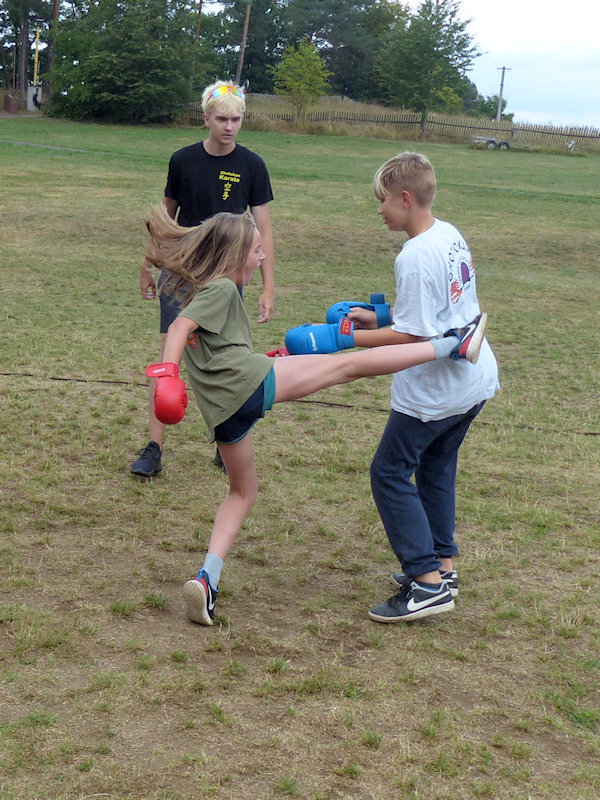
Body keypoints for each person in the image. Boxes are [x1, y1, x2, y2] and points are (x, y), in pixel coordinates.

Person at [142, 204, 488, 625]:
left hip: (224, 413)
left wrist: (272, 359)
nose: (262, 257)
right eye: (256, 250)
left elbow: (217, 349)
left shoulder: (206, 291)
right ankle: (453, 344)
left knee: (242, 492)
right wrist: (167, 374)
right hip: (249, 385)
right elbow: (179, 328)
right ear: (233, 255)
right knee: (348, 366)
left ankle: (206, 579)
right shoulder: (221, 289)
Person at [343, 152, 500, 623]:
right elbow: (439, 308)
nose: (380, 209)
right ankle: (443, 568)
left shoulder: (412, 255)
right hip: (473, 382)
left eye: (383, 200)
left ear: (406, 198)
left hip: (436, 393)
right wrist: (380, 315)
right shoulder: (448, 234)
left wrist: (343, 339)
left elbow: (414, 338)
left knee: (389, 472)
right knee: (435, 467)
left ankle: (426, 583)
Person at [131, 80, 275, 478]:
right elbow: (165, 218)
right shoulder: (183, 160)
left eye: (237, 119)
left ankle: (228, 443)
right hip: (181, 273)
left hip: (228, 279)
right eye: (222, 119)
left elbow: (263, 228)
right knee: (169, 355)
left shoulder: (252, 165)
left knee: (232, 363)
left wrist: (268, 286)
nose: (230, 126)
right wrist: (147, 264)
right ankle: (154, 447)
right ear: (206, 118)